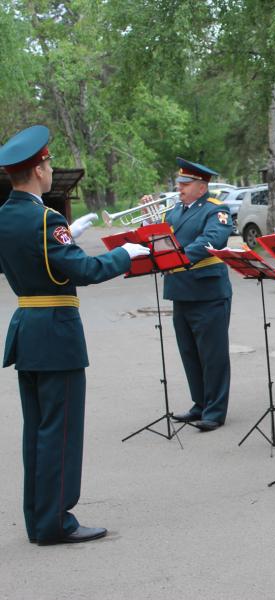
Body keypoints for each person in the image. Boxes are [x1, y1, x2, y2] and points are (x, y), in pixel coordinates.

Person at [0, 125, 150, 545]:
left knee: (38, 432)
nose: (50, 169)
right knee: (60, 433)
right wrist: (123, 254)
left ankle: (38, 518)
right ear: (37, 170)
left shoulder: (6, 216)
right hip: (56, 335)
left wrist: (68, 239)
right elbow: (84, 271)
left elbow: (20, 258)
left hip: (27, 332)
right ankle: (56, 523)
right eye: (47, 163)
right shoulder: (47, 218)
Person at [143, 158, 233, 432]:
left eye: (185, 183)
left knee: (212, 353)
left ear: (202, 186)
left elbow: (210, 241)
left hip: (207, 291)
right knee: (189, 351)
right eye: (178, 182)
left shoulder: (217, 210)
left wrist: (177, 258)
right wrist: (150, 222)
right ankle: (200, 403)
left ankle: (215, 410)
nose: (179, 187)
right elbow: (161, 240)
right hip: (180, 290)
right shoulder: (174, 212)